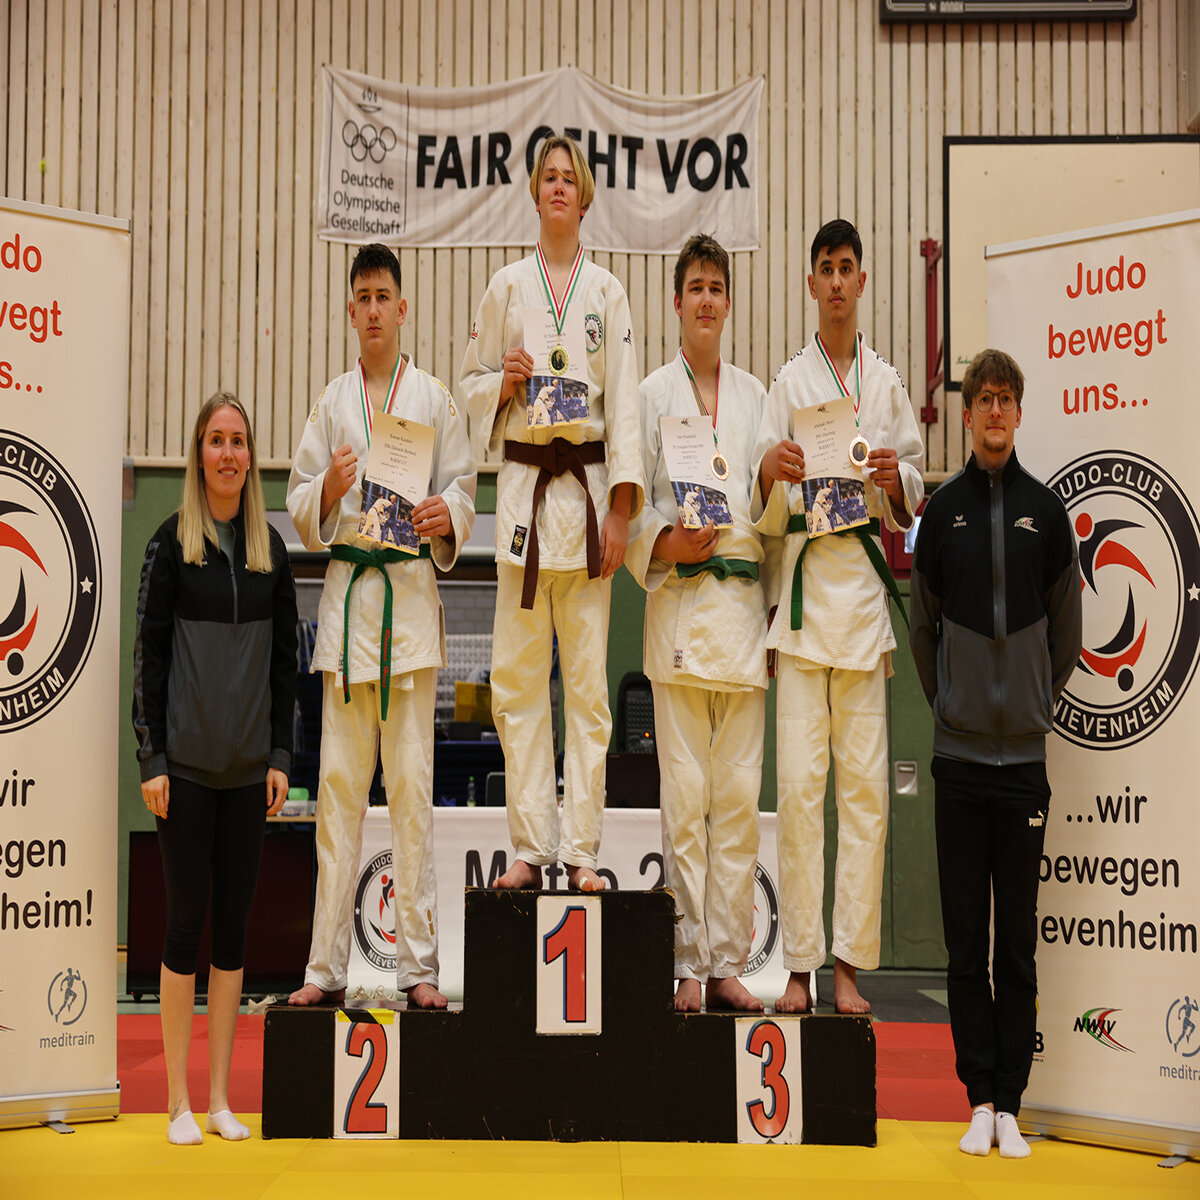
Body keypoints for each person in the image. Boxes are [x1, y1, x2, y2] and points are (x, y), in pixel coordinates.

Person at [287, 243, 476, 1010]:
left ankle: (418, 967)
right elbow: (300, 502)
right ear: (350, 311)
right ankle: (324, 969)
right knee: (336, 795)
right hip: (349, 613)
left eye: (382, 297)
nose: (372, 310)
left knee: (412, 795)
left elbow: (463, 489)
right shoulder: (332, 403)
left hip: (409, 617)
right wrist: (329, 490)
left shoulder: (433, 399)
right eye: (360, 297)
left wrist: (443, 515)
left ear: (403, 308)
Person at [909, 348, 1081, 1158]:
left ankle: (1012, 1103)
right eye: (983, 399)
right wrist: (953, 704)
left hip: (1024, 771)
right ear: (968, 412)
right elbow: (922, 629)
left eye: (1007, 399)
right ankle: (976, 1099)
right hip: (958, 763)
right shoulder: (940, 512)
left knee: (1015, 943)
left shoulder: (1048, 514)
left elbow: (1066, 636)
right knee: (964, 942)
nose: (995, 412)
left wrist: (1030, 702)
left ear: (1019, 412)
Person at [459, 133, 643, 892]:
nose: (560, 186)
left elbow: (624, 404)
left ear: (584, 196)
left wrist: (623, 511)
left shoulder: (607, 293)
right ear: (535, 193)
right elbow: (467, 386)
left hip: (589, 503)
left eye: (571, 177)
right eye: (550, 177)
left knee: (590, 693)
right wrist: (500, 384)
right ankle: (532, 849)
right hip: (526, 510)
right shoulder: (506, 286)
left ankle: (583, 852)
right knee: (517, 685)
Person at [753, 218, 924, 1014]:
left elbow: (911, 490)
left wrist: (896, 480)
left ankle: (849, 966)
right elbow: (762, 503)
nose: (834, 281)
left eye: (845, 268)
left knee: (864, 798)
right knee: (799, 793)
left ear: (861, 281)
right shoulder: (787, 384)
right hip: (801, 608)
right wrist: (772, 470)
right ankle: (800, 965)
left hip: (860, 608)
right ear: (811, 283)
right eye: (824, 268)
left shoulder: (885, 385)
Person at [132, 392, 299, 1144]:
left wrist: (280, 756)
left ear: (250, 458)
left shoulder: (272, 555)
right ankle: (176, 1102)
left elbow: (285, 668)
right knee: (183, 929)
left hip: (248, 775)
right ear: (199, 455)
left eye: (238, 441)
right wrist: (152, 757)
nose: (228, 454)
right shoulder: (170, 544)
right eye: (216, 440)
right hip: (186, 774)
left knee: (232, 936)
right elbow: (149, 658)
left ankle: (221, 1100)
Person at [627, 234, 769, 1012]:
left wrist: (776, 617)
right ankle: (687, 960)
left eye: (717, 287)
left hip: (743, 616)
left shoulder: (757, 396)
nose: (707, 299)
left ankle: (726, 962)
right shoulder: (650, 395)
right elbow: (631, 502)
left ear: (728, 303)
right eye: (696, 287)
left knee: (737, 801)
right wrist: (665, 543)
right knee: (684, 800)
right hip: (680, 610)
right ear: (676, 302)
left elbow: (774, 515)